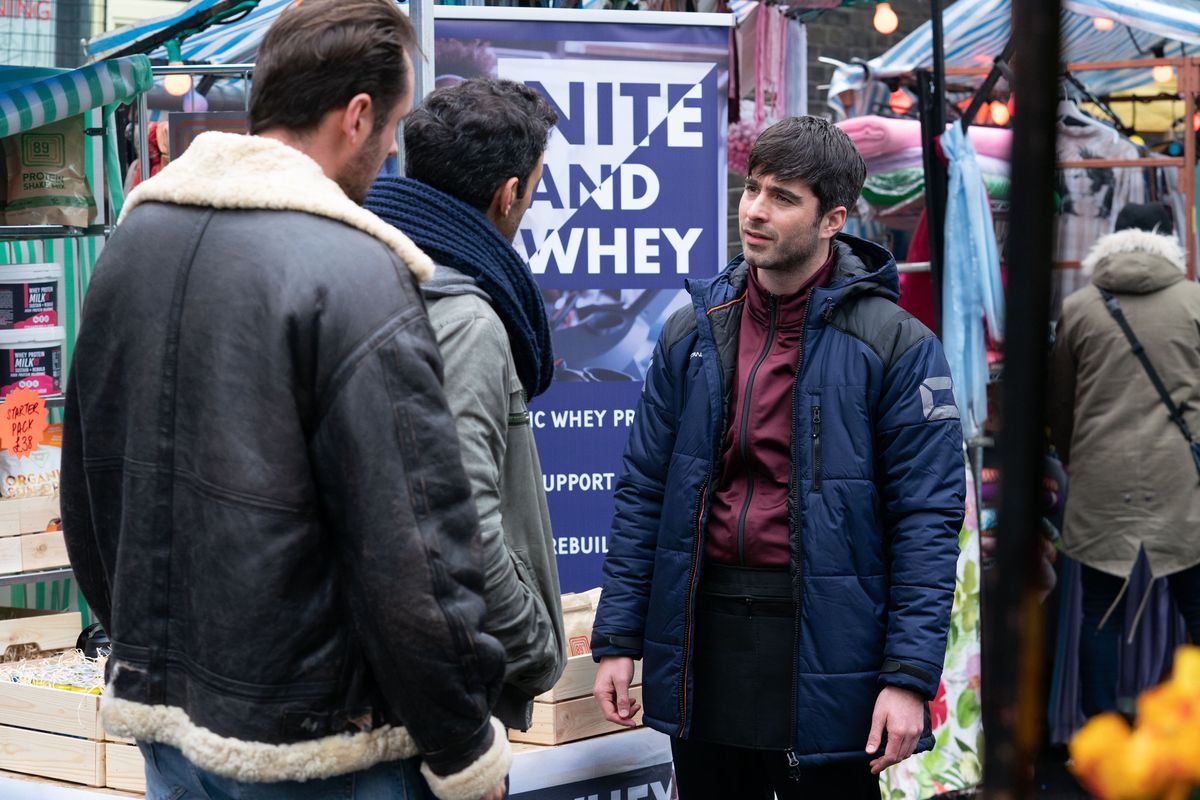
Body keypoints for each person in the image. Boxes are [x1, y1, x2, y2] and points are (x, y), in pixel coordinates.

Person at [60, 3, 509, 799]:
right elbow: (413, 554)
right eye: (396, 122)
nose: (396, 147)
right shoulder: (356, 271)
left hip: (172, 735)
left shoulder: (132, 245)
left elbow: (90, 494)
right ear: (357, 114)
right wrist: (465, 747)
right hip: (322, 749)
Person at [590, 116, 965, 799]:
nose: (755, 210)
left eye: (783, 197)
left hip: (827, 646)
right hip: (705, 642)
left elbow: (927, 523)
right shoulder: (693, 332)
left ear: (833, 220)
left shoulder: (896, 345)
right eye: (751, 188)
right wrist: (618, 638)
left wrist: (908, 678)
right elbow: (644, 491)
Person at [363, 78, 567, 731]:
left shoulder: (353, 267)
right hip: (438, 690)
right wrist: (534, 646)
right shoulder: (467, 321)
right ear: (509, 194)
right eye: (534, 188)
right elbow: (461, 530)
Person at [1049, 201, 1200, 718]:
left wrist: (1075, 458)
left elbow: (1061, 402)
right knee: (1197, 613)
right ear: (1170, 238)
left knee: (1099, 614)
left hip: (1100, 478)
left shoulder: (1079, 307)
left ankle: (1099, 744)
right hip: (1183, 482)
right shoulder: (1195, 302)